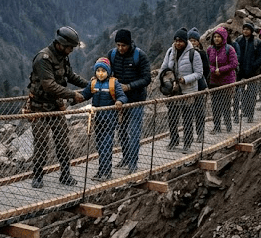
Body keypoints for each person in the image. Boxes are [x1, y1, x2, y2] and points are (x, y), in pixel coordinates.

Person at [26, 26, 89, 188]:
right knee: (41, 143)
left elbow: (70, 76)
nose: (71, 50)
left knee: (62, 141)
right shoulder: (43, 59)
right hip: (39, 108)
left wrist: (89, 85)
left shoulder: (62, 57)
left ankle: (65, 174)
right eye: (70, 47)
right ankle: (38, 175)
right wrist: (73, 94)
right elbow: (49, 85)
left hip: (56, 106)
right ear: (61, 44)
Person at [108, 29, 151, 173]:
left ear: (129, 44)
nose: (120, 48)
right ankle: (126, 157)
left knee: (134, 131)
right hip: (120, 100)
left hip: (137, 99)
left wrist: (129, 86)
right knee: (121, 130)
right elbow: (107, 73)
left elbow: (147, 79)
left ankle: (133, 163)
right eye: (118, 45)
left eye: (123, 45)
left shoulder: (140, 55)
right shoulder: (112, 55)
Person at [80, 58, 127, 181]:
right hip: (98, 121)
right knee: (100, 147)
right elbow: (84, 95)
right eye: (98, 71)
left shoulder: (113, 83)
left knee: (106, 146)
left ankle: (107, 172)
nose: (100, 73)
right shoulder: (93, 83)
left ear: (108, 71)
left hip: (110, 120)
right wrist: (72, 98)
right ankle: (101, 171)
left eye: (103, 71)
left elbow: (122, 95)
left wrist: (119, 101)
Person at [160, 28, 204, 149]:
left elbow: (199, 73)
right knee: (172, 117)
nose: (178, 43)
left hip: (188, 90)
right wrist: (165, 80)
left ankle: (187, 142)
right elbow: (163, 68)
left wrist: (185, 79)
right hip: (173, 91)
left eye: (180, 41)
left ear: (185, 41)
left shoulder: (193, 54)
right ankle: (174, 140)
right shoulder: (170, 52)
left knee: (187, 117)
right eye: (176, 40)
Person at [207, 27, 238, 133]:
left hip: (227, 81)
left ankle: (228, 125)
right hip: (214, 81)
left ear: (223, 38)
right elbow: (207, 63)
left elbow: (234, 64)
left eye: (218, 37)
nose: (216, 39)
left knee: (226, 105)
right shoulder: (210, 49)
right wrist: (213, 70)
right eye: (215, 37)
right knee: (215, 105)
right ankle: (217, 127)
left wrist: (220, 70)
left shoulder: (229, 49)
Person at [235, 22, 261, 124]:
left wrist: (254, 65)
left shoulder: (257, 42)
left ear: (251, 31)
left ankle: (250, 114)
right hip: (240, 72)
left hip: (253, 72)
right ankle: (244, 111)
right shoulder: (239, 40)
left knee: (252, 94)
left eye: (247, 29)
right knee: (241, 93)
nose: (245, 31)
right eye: (244, 29)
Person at [187, 28, 210, 145]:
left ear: (198, 42)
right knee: (188, 112)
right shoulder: (185, 55)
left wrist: (200, 79)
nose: (192, 43)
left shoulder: (202, 54)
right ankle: (189, 135)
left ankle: (200, 133)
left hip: (199, 86)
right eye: (190, 40)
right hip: (187, 87)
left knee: (199, 111)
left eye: (194, 40)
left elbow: (206, 70)